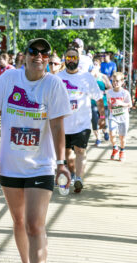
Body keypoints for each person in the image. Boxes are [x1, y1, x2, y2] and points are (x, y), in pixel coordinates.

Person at [0, 38, 71, 263]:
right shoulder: (9, 79)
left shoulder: (53, 84)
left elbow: (57, 127)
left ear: (49, 58)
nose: (39, 57)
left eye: (45, 53)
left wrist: (61, 164)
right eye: (34, 51)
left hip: (40, 166)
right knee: (19, 221)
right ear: (25, 55)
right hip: (11, 165)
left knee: (35, 224)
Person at [57, 46, 105, 193]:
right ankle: (73, 173)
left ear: (78, 59)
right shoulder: (57, 78)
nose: (72, 60)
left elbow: (98, 98)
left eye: (74, 57)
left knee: (80, 150)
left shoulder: (87, 77)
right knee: (67, 155)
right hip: (63, 124)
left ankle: (78, 178)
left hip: (82, 123)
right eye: (69, 57)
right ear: (65, 60)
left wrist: (102, 117)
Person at [107, 72, 132, 161]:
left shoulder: (125, 93)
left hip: (123, 117)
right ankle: (115, 148)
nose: (115, 83)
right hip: (113, 116)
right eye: (113, 81)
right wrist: (110, 105)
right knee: (112, 134)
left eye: (117, 81)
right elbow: (109, 102)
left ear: (122, 82)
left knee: (122, 137)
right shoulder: (109, 92)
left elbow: (130, 104)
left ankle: (122, 151)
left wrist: (121, 103)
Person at [91, 57, 112, 146]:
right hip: (92, 103)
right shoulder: (89, 77)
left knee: (103, 120)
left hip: (103, 103)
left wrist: (103, 92)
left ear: (99, 66)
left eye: (96, 64)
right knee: (95, 121)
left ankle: (105, 131)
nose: (94, 66)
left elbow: (110, 88)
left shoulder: (103, 76)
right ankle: (98, 138)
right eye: (93, 64)